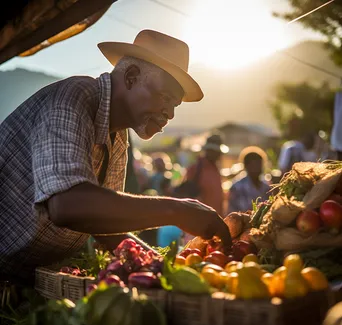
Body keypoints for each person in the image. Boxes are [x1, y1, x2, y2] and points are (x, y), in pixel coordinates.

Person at [0, 29, 231, 286]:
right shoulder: (72, 98)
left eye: (175, 105)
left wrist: (162, 267)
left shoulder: (118, 136)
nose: (170, 113)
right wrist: (177, 210)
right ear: (131, 77)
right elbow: (66, 205)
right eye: (165, 97)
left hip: (27, 280)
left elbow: (106, 228)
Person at [227, 146, 271, 214]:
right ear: (246, 166)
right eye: (254, 165)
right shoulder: (237, 186)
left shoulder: (266, 186)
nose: (258, 168)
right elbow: (231, 212)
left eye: (259, 164)